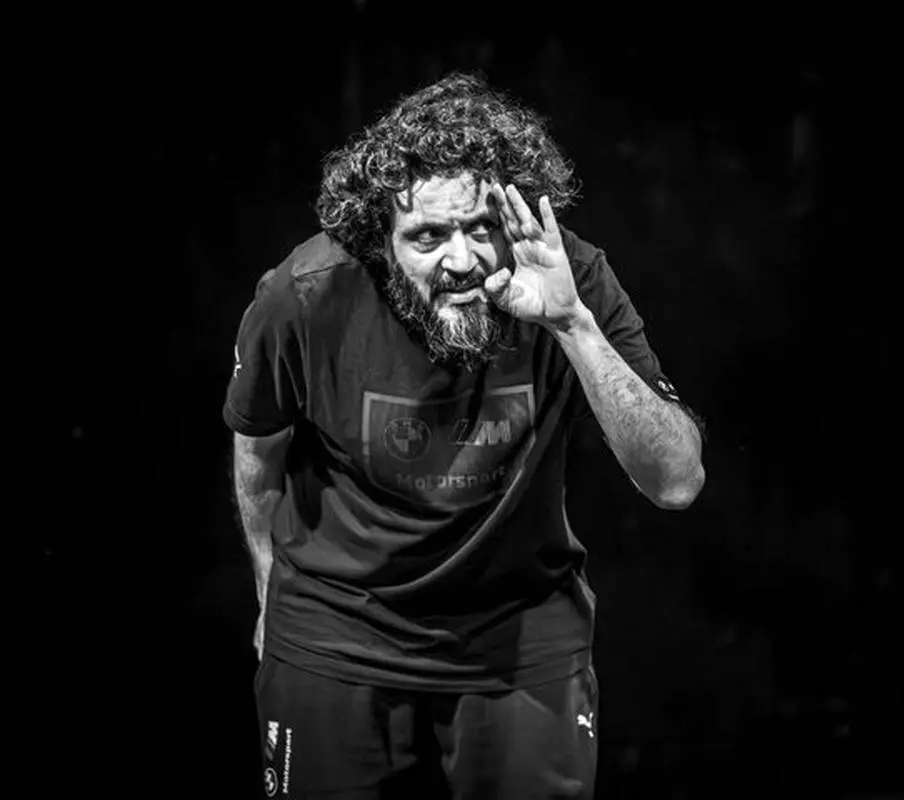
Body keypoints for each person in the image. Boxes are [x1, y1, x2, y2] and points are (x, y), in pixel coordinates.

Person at [225, 72, 706, 799]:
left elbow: (676, 481)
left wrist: (572, 325)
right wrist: (270, 595)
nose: (462, 260)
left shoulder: (567, 275)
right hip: (335, 635)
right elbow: (258, 449)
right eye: (427, 236)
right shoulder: (305, 295)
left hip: (519, 635)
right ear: (379, 237)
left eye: (482, 227)